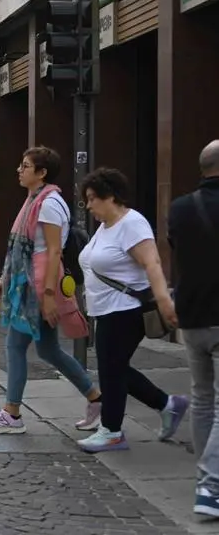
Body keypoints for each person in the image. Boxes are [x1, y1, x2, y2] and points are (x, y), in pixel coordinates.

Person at [0, 147, 102, 435]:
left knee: (15, 346)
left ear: (42, 173)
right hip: (31, 287)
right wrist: (3, 282)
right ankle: (96, 398)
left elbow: (52, 252)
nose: (19, 170)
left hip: (38, 291)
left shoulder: (48, 204)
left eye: (25, 166)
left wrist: (46, 298)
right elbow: (27, 252)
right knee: (48, 350)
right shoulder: (35, 200)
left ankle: (12, 413)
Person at [75, 167, 187, 453]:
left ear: (110, 196)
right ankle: (167, 404)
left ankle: (111, 431)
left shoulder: (132, 224)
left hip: (126, 310)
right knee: (115, 368)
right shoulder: (106, 225)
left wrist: (163, 299)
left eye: (92, 199)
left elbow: (152, 263)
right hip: (106, 310)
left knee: (111, 370)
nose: (88, 206)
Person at [168, 140, 219, 515]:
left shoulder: (180, 207)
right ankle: (210, 486)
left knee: (202, 398)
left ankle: (207, 479)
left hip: (192, 315)